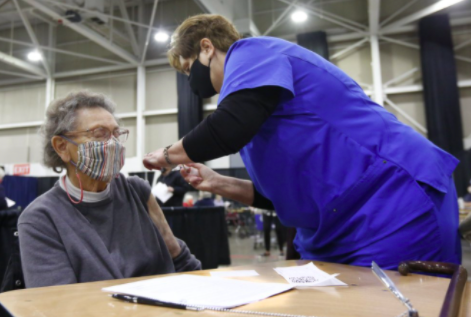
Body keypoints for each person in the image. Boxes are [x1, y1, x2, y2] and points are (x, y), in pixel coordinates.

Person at [143, 14, 461, 269]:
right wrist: (218, 182)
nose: (192, 81)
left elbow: (227, 128)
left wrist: (168, 156)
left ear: (207, 47)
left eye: (188, 70)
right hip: (341, 222)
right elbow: (278, 196)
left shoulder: (252, 53)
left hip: (391, 200)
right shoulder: (257, 106)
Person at [18, 91, 201, 288]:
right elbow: (57, 304)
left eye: (116, 134)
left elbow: (182, 262)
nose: (112, 144)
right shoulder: (41, 218)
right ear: (62, 146)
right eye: (100, 133)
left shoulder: (136, 191)